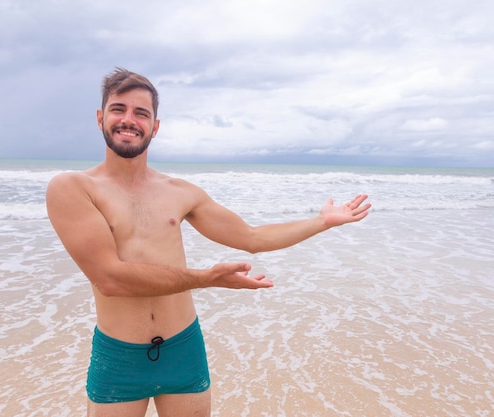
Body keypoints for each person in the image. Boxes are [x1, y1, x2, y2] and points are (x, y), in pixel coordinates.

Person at [46, 67, 371, 417]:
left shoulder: (180, 192)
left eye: (141, 113)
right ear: (100, 118)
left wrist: (321, 222)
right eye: (118, 109)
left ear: (155, 127)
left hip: (183, 348)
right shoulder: (73, 188)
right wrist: (207, 278)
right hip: (119, 357)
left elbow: (252, 237)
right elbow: (109, 279)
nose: (129, 120)